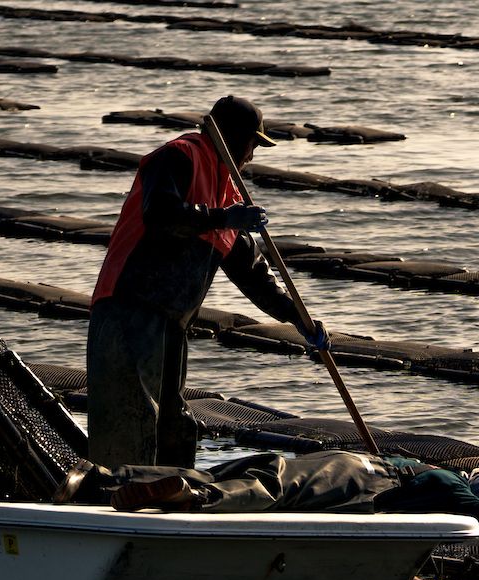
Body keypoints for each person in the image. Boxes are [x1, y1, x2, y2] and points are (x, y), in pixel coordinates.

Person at [86, 95, 327, 468]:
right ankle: (120, 504)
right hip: (128, 310)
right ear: (231, 138)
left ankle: (175, 502)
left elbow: (254, 276)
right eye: (253, 145)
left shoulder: (228, 195)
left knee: (176, 425)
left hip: (171, 324)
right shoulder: (179, 156)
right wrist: (222, 218)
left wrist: (301, 320)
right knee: (133, 424)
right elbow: (161, 214)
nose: (252, 156)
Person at [58, 451, 479, 580]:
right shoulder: (451, 485)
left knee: (239, 474)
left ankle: (100, 480)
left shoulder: (420, 496)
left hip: (337, 467)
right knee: (264, 496)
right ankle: (194, 499)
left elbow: (377, 566)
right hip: (356, 478)